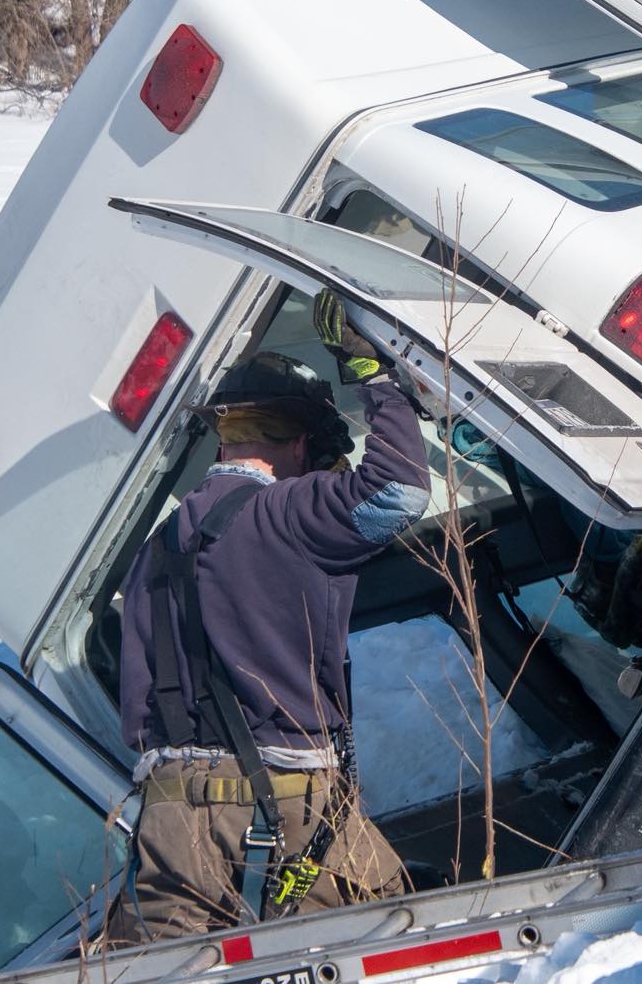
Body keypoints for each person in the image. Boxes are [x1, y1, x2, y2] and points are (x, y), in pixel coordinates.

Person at [106, 291, 430, 940]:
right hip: (286, 805)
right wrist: (375, 378)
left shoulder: (155, 550)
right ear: (304, 441)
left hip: (171, 821)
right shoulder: (287, 512)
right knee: (387, 939)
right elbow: (398, 493)